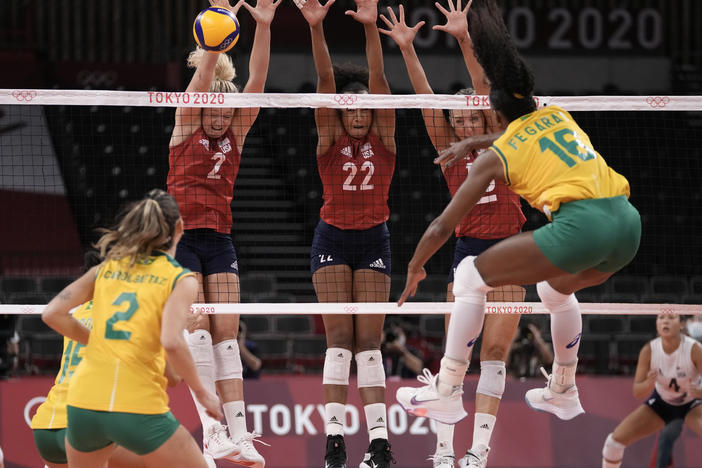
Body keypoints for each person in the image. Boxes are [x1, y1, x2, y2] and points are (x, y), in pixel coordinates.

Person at [395, 0, 640, 433]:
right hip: (626, 223)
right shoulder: (556, 115)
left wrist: (416, 267)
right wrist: (474, 140)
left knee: (469, 277)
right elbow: (501, 112)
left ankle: (447, 390)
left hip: (579, 227)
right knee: (554, 292)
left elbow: (439, 227)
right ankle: (564, 386)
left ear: (493, 113)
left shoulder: (502, 152)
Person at [379, 1, 525, 466]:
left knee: (497, 351)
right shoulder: (449, 148)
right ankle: (443, 452)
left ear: (484, 121)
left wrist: (465, 39)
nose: (462, 123)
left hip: (512, 249)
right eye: (456, 118)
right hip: (467, 253)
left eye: (470, 118)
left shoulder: (503, 141)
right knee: (454, 357)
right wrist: (406, 49)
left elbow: (487, 87)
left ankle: (478, 451)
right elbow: (424, 96)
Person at [167, 0, 279, 465]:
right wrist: (215, 38)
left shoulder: (238, 127)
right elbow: (199, 87)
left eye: (225, 110)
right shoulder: (188, 121)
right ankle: (213, 433)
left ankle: (240, 434)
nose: (219, 115)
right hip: (182, 238)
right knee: (197, 328)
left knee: (226, 336)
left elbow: (256, 83)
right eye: (214, 108)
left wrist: (264, 25)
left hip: (220, 240)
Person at [41, 189, 222, 468]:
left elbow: (53, 314)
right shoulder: (179, 279)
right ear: (179, 228)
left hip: (82, 406)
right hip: (136, 406)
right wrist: (202, 392)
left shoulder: (107, 268)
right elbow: (172, 343)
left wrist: (99, 341)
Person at [295, 0, 396, 466]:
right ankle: (334, 438)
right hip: (332, 240)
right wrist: (317, 29)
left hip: (374, 240)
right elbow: (324, 84)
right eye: (350, 109)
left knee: (369, 343)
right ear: (341, 114)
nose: (358, 115)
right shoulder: (329, 140)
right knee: (339, 341)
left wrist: (372, 28)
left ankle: (379, 442)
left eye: (365, 111)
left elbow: (379, 82)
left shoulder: (384, 139)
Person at [31, 250, 182, 468]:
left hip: (46, 427)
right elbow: (174, 377)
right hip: (86, 428)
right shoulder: (132, 318)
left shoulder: (77, 311)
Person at [601, 313, 702, 468]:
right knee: (613, 443)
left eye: (670, 318)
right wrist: (648, 383)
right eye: (661, 318)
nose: (665, 322)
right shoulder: (649, 350)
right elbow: (637, 392)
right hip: (662, 403)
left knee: (666, 439)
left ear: (681, 324)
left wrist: (699, 391)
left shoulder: (694, 349)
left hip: (691, 404)